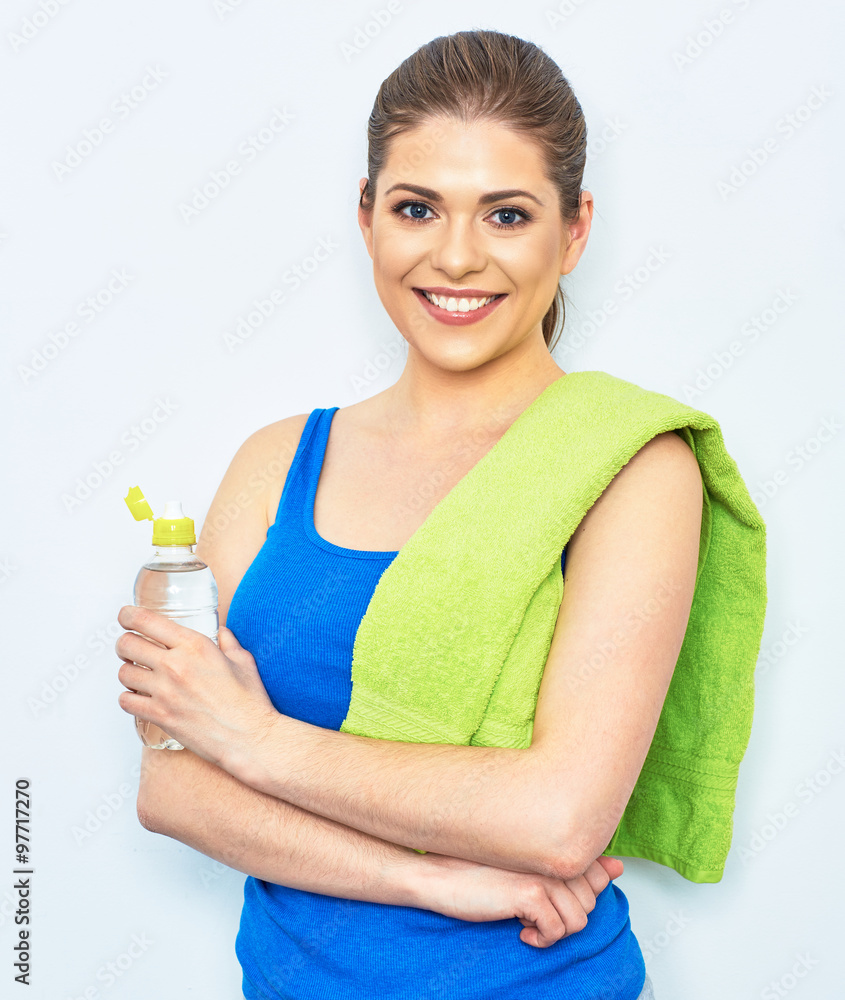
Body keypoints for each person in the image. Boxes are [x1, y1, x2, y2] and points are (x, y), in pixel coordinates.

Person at [114, 29, 708, 999]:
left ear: (574, 229)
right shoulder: (274, 465)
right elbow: (172, 786)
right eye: (417, 208)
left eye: (506, 214)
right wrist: (434, 876)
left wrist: (253, 739)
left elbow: (560, 816)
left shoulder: (630, 467)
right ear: (366, 217)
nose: (456, 256)